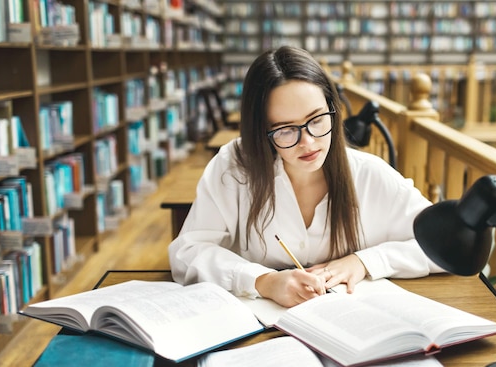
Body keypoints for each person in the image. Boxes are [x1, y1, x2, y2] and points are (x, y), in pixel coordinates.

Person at [168, 46, 444, 307]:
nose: (309, 142)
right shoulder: (234, 167)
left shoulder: (370, 174)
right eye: (286, 130)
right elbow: (187, 252)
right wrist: (262, 281)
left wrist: (364, 262)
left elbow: (443, 246)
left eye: (317, 120)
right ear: (261, 132)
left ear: (332, 109)